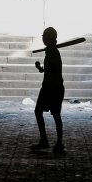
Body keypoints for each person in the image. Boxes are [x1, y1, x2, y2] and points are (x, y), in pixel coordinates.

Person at [31, 26, 65, 154]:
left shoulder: (53, 52)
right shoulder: (51, 51)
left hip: (53, 88)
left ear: (50, 38)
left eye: (45, 37)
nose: (43, 39)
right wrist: (40, 68)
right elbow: (49, 70)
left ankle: (56, 142)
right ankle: (51, 141)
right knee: (44, 113)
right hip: (51, 87)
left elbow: (52, 71)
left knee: (52, 114)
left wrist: (43, 68)